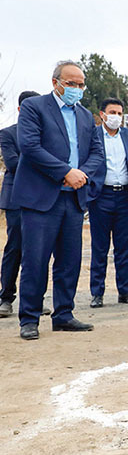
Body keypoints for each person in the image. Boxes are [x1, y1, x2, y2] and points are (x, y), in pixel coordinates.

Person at [13, 60, 105, 340]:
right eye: (71, 83)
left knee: (69, 261)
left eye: (81, 84)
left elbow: (97, 153)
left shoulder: (86, 116)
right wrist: (65, 172)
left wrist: (80, 175)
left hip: (73, 199)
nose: (77, 88)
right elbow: (29, 146)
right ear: (56, 83)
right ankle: (29, 318)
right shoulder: (34, 107)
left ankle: (63, 314)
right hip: (41, 199)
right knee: (35, 261)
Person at [87, 97, 128, 308]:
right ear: (102, 114)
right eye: (113, 112)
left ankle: (125, 291)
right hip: (101, 197)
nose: (116, 117)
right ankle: (97, 293)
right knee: (99, 248)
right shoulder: (93, 135)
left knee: (123, 248)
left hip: (124, 198)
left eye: (120, 113)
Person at [0, 90, 40, 317]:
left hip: (41, 198)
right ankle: (6, 297)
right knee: (15, 248)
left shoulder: (46, 135)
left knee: (38, 250)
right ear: (19, 110)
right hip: (16, 198)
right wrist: (44, 162)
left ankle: (34, 298)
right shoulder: (7, 134)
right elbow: (14, 164)